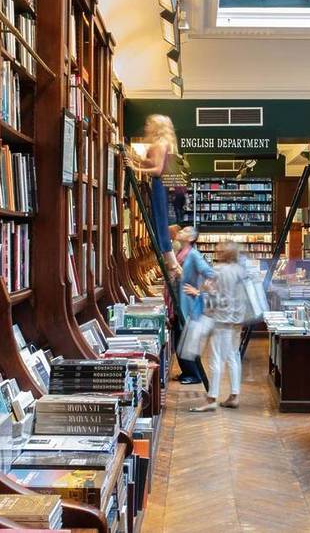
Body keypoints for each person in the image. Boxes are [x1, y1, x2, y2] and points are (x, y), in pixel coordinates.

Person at [187, 241, 248, 412]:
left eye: (220, 250)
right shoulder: (241, 271)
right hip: (236, 320)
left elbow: (212, 296)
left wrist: (201, 291)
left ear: (224, 254)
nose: (217, 251)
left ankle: (212, 398)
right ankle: (234, 395)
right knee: (233, 356)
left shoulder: (219, 271)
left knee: (215, 359)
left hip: (220, 320)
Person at [128, 114, 181, 275]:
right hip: (160, 185)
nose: (146, 127)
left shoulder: (159, 144)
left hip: (158, 184)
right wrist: (136, 159)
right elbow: (153, 163)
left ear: (156, 126)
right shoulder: (163, 143)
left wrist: (135, 168)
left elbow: (157, 170)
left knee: (159, 223)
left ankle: (173, 265)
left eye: (149, 124)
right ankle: (172, 265)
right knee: (158, 222)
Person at [175, 226, 213, 385]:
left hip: (189, 304)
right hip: (179, 302)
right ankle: (186, 372)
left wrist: (198, 291)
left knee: (186, 340)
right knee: (179, 339)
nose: (180, 232)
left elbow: (211, 274)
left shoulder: (194, 255)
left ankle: (195, 375)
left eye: (184, 231)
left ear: (191, 238)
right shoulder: (181, 253)